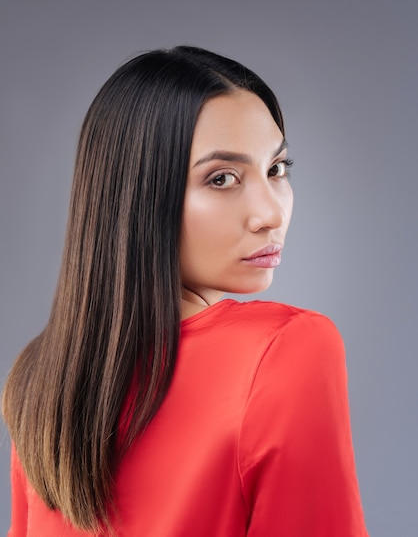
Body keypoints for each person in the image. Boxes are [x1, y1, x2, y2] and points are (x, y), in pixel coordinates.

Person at [2, 46, 369, 536]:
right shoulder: (286, 351)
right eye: (222, 178)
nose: (271, 213)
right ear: (138, 197)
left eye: (277, 169)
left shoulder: (42, 376)